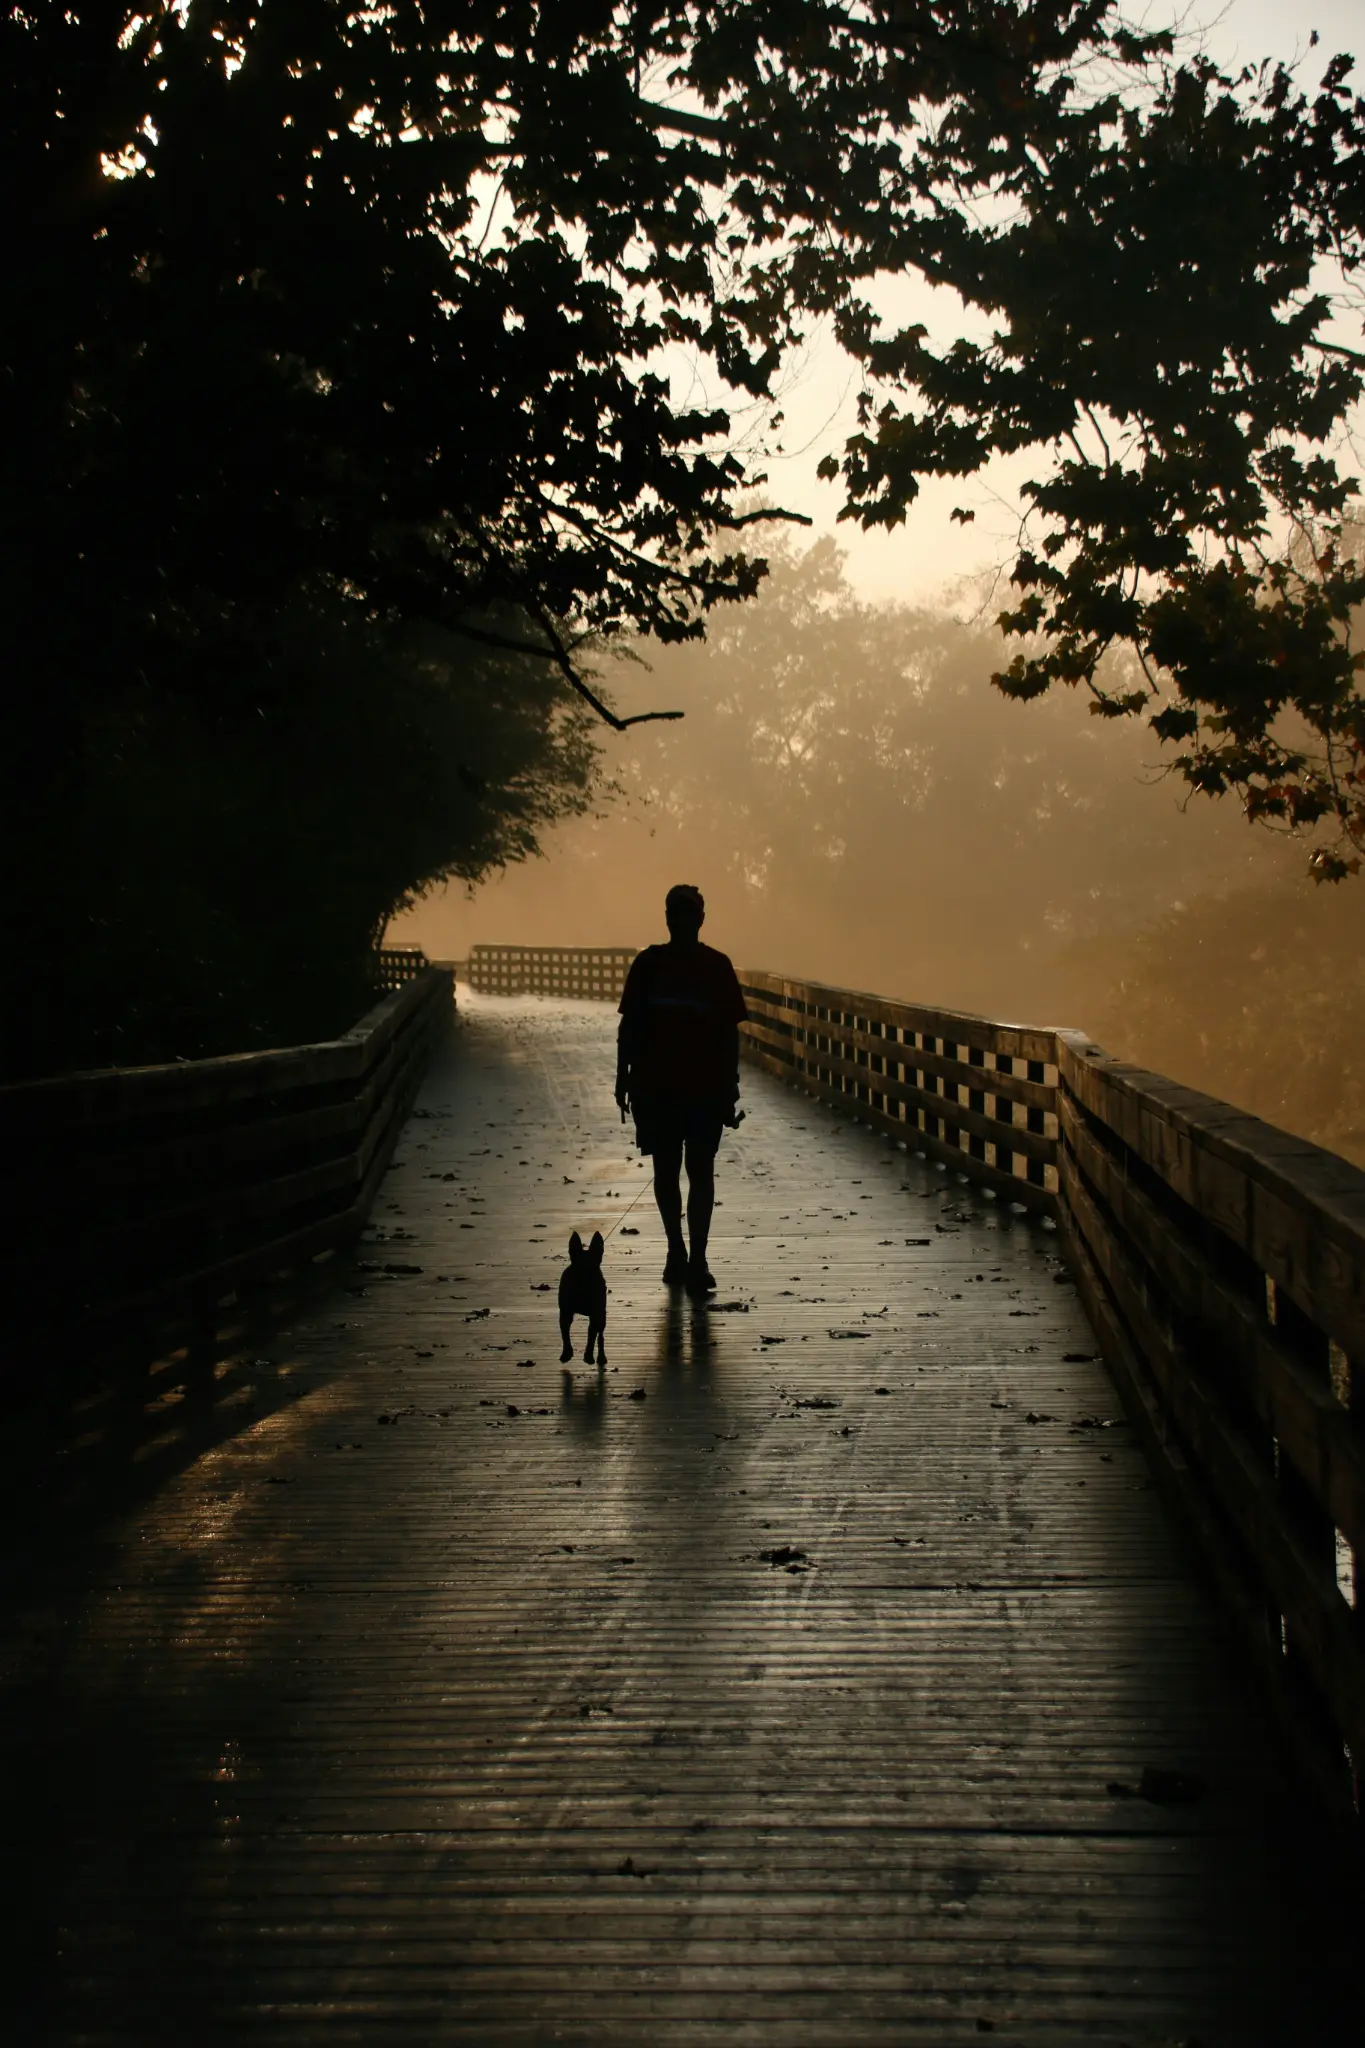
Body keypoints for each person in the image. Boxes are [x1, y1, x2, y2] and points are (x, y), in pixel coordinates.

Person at [615, 884, 747, 1293]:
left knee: (696, 1170)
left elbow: (730, 1034)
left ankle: (696, 1257)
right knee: (670, 1169)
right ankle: (678, 1250)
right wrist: (622, 1076)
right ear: (670, 919)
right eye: (679, 913)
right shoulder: (652, 965)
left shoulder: (712, 966)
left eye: (688, 913)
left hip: (698, 1088)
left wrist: (730, 1084)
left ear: (699, 919)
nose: (684, 921)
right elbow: (629, 1026)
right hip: (661, 1087)